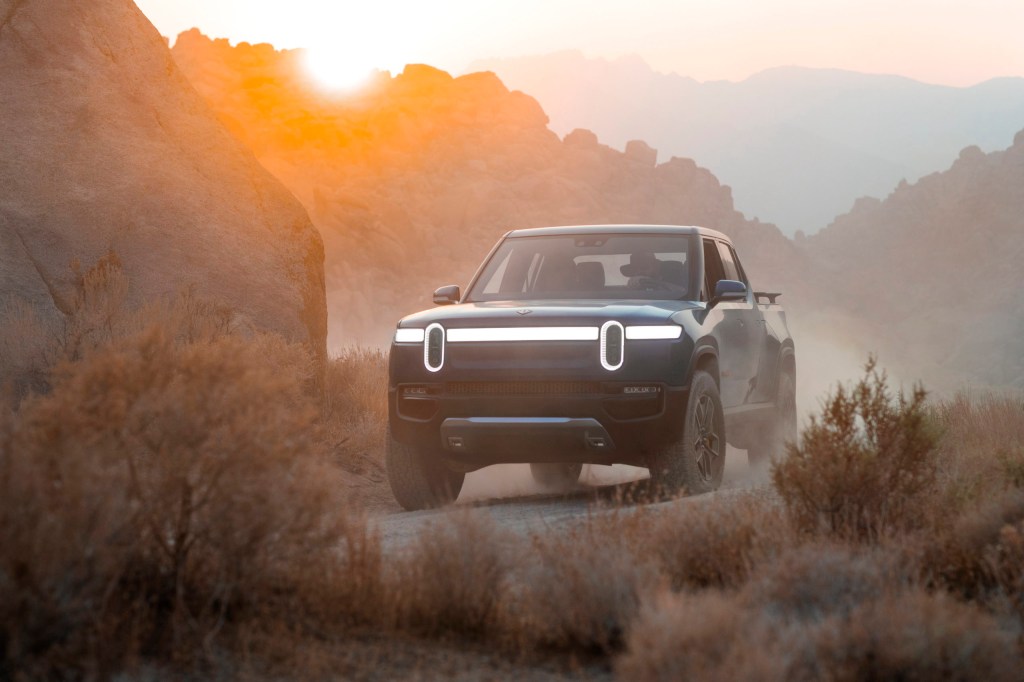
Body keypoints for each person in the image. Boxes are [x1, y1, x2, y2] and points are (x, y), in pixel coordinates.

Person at [620, 251, 686, 293]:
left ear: (656, 265)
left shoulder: (676, 280)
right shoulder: (634, 284)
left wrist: (653, 283)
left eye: (644, 267)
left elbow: (682, 292)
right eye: (635, 269)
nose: (639, 272)